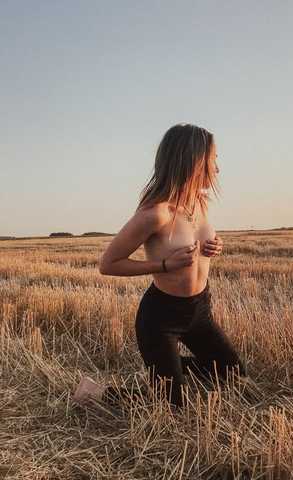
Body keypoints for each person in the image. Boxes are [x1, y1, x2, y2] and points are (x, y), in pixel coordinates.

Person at [73, 123, 247, 410]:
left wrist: (215, 246)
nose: (217, 168)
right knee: (172, 407)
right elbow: (108, 264)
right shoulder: (155, 213)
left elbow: (200, 239)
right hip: (161, 318)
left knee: (233, 374)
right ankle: (96, 393)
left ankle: (165, 370)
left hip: (200, 310)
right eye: (213, 159)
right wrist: (165, 264)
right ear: (194, 160)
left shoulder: (201, 203)